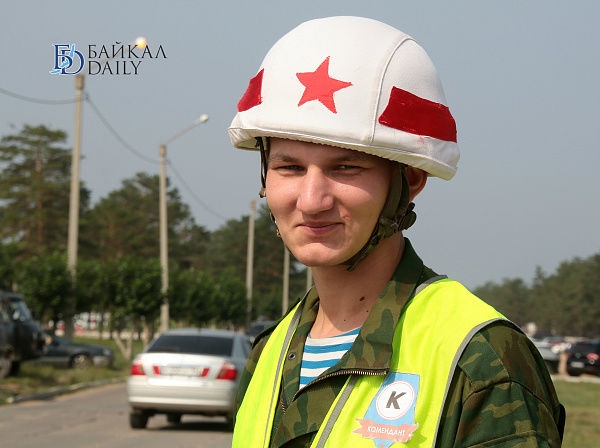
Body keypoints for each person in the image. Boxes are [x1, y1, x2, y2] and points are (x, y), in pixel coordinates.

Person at [228, 16, 565, 448]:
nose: (311, 199)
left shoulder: (481, 361)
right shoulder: (269, 353)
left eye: (346, 167)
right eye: (289, 167)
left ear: (411, 179)